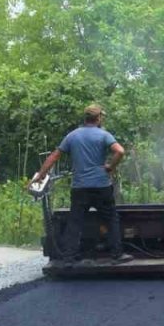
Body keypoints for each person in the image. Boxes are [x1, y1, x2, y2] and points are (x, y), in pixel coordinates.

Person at [31, 105, 127, 261]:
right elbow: (120, 151)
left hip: (80, 187)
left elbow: (54, 156)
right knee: (110, 219)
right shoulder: (104, 135)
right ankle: (117, 254)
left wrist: (40, 175)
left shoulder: (72, 136)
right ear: (98, 118)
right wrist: (110, 166)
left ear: (85, 118)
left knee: (75, 221)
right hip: (101, 186)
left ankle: (70, 255)